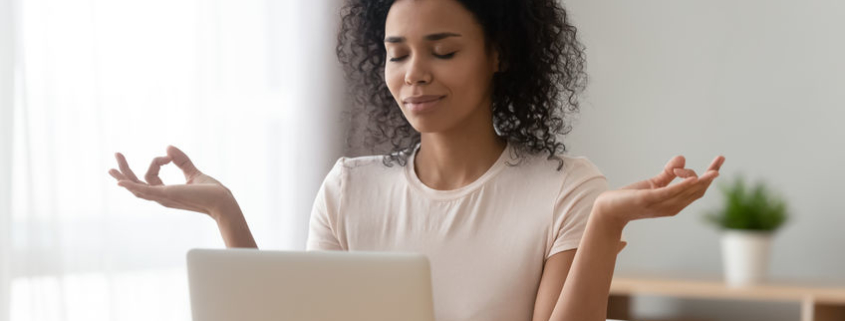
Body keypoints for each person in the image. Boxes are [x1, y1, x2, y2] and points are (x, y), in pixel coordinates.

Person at [108, 0, 725, 320]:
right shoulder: (350, 188)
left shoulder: (565, 188)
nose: (414, 75)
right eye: (396, 53)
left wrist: (606, 224)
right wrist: (224, 210)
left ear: (499, 54)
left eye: (443, 50)